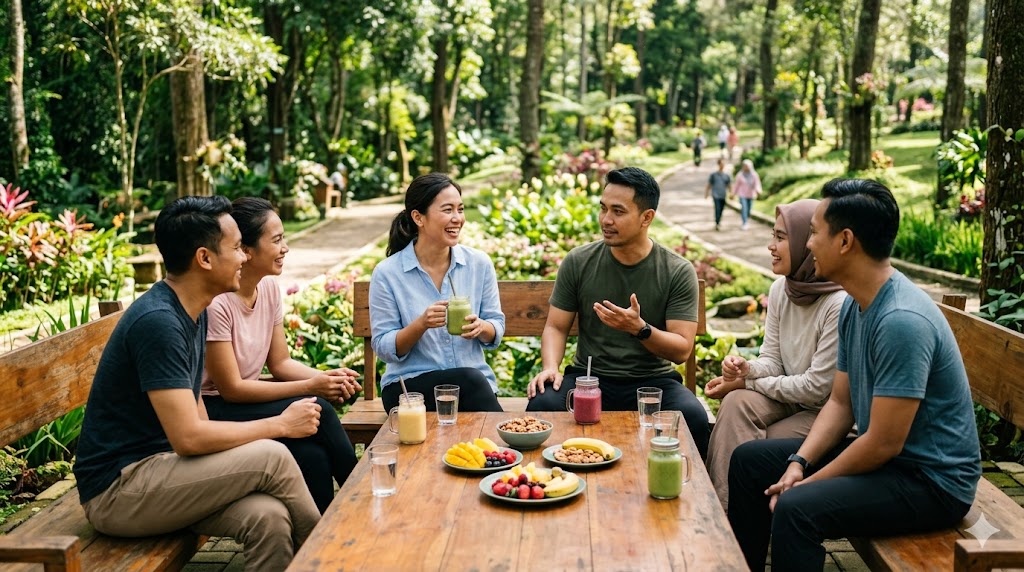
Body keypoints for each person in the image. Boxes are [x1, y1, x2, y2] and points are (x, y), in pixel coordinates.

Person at [728, 179, 980, 571]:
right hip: (891, 461)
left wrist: (807, 484)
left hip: (931, 482)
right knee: (749, 461)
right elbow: (841, 404)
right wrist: (798, 462)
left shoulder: (901, 320)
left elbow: (882, 444)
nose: (807, 243)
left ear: (845, 241)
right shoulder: (854, 304)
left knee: (797, 509)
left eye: (813, 232)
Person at [74, 196, 321, 572]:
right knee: (272, 454)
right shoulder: (159, 323)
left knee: (268, 517)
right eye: (237, 248)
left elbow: (199, 422)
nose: (244, 257)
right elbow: (188, 438)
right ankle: (333, 557)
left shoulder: (194, 309)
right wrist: (280, 425)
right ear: (204, 258)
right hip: (118, 489)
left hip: (166, 471)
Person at [525, 167, 711, 459]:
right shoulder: (579, 261)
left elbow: (681, 350)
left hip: (653, 383)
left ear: (646, 218)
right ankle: (543, 488)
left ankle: (691, 497)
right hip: (589, 379)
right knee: (542, 405)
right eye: (603, 208)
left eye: (618, 211)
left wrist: (640, 329)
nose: (606, 220)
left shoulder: (676, 271)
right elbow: (556, 327)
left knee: (692, 416)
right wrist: (551, 367)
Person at [202, 197, 361, 514]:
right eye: (276, 240)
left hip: (245, 399)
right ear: (246, 251)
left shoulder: (269, 289)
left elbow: (280, 363)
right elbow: (231, 389)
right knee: (321, 409)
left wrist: (325, 377)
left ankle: (321, 541)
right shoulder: (217, 303)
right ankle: (363, 500)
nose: (285, 247)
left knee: (311, 456)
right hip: (214, 408)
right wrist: (312, 388)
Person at [704, 199, 846, 512]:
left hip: (825, 414)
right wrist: (748, 367)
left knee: (757, 446)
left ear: (805, 243)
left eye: (781, 238)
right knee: (735, 404)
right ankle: (722, 511)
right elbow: (773, 359)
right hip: (791, 401)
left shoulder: (838, 304)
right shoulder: (783, 289)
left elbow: (817, 388)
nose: (771, 246)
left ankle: (736, 519)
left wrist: (748, 383)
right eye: (774, 236)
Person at [370, 172, 505, 413]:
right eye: (447, 210)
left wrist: (481, 327)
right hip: (408, 389)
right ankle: (508, 447)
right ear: (418, 217)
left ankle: (502, 448)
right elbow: (383, 346)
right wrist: (420, 324)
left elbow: (496, 325)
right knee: (471, 380)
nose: (457, 219)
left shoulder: (478, 264)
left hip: (473, 386)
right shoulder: (388, 273)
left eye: (460, 209)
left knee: (471, 380)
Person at [732, 159, 762, 230]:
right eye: (744, 166)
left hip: (750, 195)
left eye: (747, 166)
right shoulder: (740, 175)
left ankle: (746, 219)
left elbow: (757, 184)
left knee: (748, 210)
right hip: (742, 195)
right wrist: (733, 194)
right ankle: (744, 223)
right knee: (744, 208)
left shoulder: (754, 175)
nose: (745, 167)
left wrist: (758, 191)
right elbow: (736, 185)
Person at [705, 159, 733, 231]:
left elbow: (729, 185)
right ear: (718, 165)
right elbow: (709, 184)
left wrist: (731, 193)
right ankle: (717, 223)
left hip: (723, 195)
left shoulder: (726, 175)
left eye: (723, 164)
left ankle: (719, 221)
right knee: (717, 209)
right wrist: (706, 193)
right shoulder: (714, 175)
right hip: (715, 195)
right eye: (721, 164)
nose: (722, 166)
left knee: (721, 209)